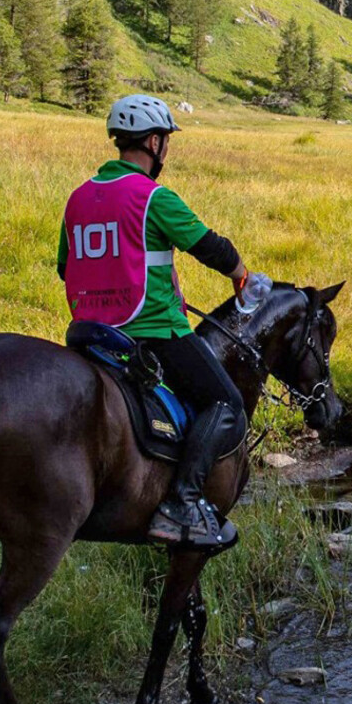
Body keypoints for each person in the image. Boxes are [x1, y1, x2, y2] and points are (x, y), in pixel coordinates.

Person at [59, 94, 252, 549]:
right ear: (152, 142)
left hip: (89, 335)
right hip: (152, 331)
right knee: (226, 403)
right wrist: (241, 274)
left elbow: (67, 267)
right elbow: (211, 248)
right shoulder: (154, 197)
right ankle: (183, 503)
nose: (166, 149)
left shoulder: (79, 198)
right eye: (165, 141)